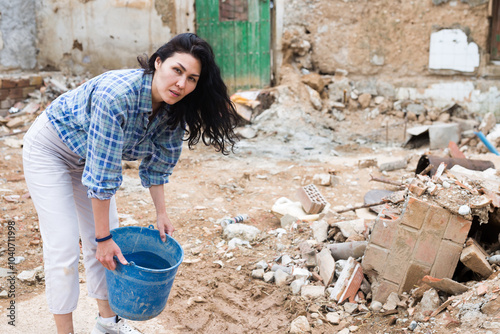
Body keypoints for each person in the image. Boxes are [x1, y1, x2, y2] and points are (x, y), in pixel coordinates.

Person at [22, 33, 238, 334]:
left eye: (191, 78)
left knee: (111, 244)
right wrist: (101, 238)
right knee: (65, 247)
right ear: (158, 62)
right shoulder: (117, 96)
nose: (181, 84)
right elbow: (102, 176)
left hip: (86, 159)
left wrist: (161, 214)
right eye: (177, 70)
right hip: (51, 150)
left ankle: (107, 324)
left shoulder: (174, 110)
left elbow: (158, 165)